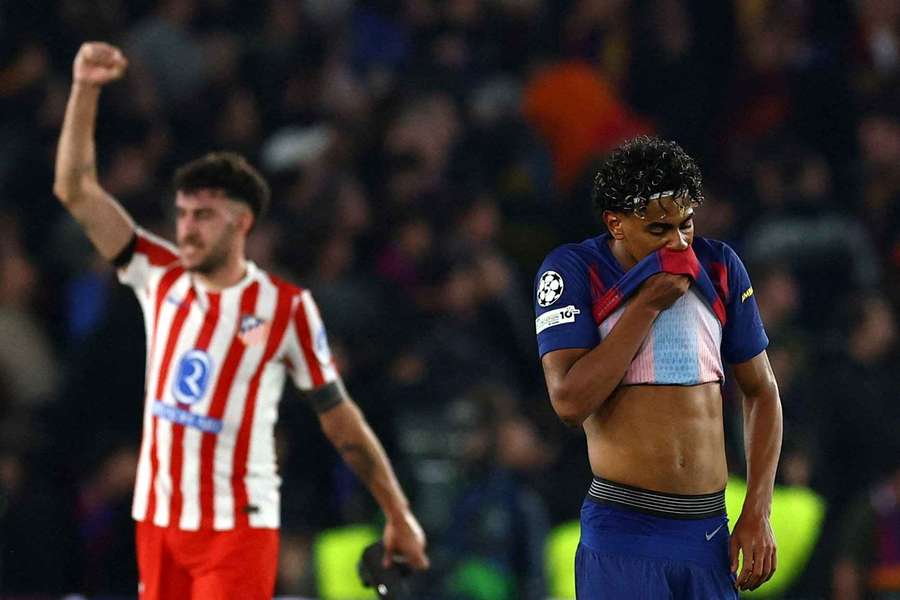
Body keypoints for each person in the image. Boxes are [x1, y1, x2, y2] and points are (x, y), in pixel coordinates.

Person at [53, 42, 429, 600]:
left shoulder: (285, 309)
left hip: (236, 527)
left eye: (203, 216)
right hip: (159, 520)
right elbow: (76, 191)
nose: (186, 229)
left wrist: (396, 512)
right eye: (183, 215)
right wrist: (84, 89)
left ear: (241, 223)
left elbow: (340, 420)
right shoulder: (157, 275)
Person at [534, 136, 782, 597]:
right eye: (659, 230)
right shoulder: (574, 270)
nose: (679, 243)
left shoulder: (720, 266)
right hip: (625, 531)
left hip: (708, 532)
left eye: (686, 224)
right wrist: (646, 305)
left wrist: (757, 509)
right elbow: (569, 402)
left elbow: (761, 391)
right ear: (616, 223)